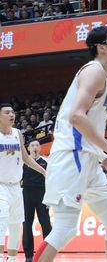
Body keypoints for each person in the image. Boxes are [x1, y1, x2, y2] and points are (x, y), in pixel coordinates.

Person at [37, 26, 107, 262]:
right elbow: (76, 117)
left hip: (87, 158)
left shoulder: (102, 77)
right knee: (65, 229)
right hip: (71, 157)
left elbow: (84, 126)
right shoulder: (94, 71)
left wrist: (103, 158)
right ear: (101, 47)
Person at [0, 105, 47, 262]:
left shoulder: (17, 133)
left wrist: (45, 172)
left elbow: (26, 158)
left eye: (13, 112)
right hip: (1, 186)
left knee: (16, 226)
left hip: (16, 187)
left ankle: (12, 259)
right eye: (7, 112)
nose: (11, 114)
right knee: (1, 223)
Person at [22, 139, 52, 262]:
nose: (35, 147)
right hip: (26, 194)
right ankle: (28, 256)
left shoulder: (46, 161)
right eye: (32, 145)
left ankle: (47, 253)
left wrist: (50, 198)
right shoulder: (23, 162)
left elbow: (51, 180)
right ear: (28, 148)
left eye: (37, 145)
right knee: (26, 224)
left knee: (46, 224)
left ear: (40, 148)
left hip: (42, 195)